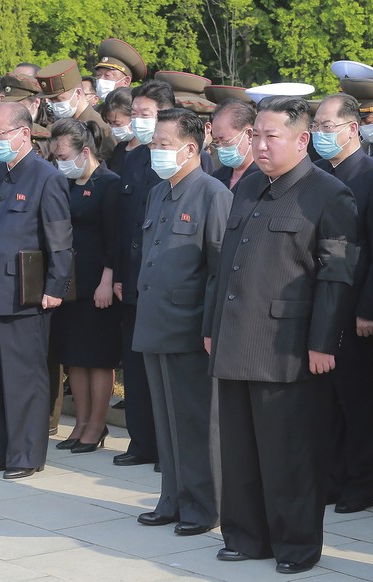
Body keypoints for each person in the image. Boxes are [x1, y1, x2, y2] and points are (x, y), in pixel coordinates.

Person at [205, 95, 357, 574]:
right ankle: (247, 536)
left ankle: (296, 546)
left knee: (288, 456)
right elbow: (224, 265)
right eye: (256, 135)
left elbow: (339, 274)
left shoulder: (329, 194)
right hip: (235, 338)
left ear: (302, 139)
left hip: (287, 348)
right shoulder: (249, 186)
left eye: (272, 136)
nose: (261, 145)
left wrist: (323, 342)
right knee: (240, 451)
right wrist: (211, 326)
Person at [133, 107, 231, 535]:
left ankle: (202, 506)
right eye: (154, 143)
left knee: (195, 422)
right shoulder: (159, 192)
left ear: (191, 148)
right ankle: (172, 497)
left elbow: (219, 269)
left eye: (163, 144)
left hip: (190, 327)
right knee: (166, 420)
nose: (155, 150)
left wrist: (210, 327)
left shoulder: (211, 193)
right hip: (155, 322)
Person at [0, 102, 72, 479]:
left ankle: (26, 454)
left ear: (24, 133)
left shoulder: (46, 177)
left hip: (23, 295)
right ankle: (2, 449)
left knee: (23, 378)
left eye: (0, 135)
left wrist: (55, 287)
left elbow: (59, 238)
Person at [311, 93, 373, 514]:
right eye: (317, 127)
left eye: (329, 127)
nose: (321, 134)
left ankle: (362, 484)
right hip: (322, 300)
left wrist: (370, 307)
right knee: (327, 402)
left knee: (360, 402)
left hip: (356, 305)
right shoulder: (317, 172)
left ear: (352, 128)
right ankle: (332, 478)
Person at [109, 80, 175, 469]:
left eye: (145, 114)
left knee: (164, 369)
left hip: (165, 280)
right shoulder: (133, 158)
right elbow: (124, 223)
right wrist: (117, 273)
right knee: (135, 366)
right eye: (134, 114)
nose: (137, 121)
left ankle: (168, 446)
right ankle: (141, 441)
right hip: (132, 277)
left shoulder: (184, 159)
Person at [48, 118, 121, 454]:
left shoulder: (109, 184)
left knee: (97, 357)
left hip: (97, 280)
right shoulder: (65, 183)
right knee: (74, 355)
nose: (60, 162)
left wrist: (107, 280)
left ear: (86, 152)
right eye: (56, 157)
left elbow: (114, 237)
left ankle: (96, 423)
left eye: (65, 155)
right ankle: (79, 422)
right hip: (69, 279)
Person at [35, 60, 116, 161]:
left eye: (59, 99)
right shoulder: (57, 126)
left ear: (78, 93)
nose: (54, 104)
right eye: (51, 100)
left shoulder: (100, 128)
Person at [210, 98, 260, 191]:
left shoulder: (265, 177)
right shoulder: (217, 177)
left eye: (225, 141)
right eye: (216, 142)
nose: (220, 148)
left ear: (249, 135)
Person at [99, 87, 138, 175]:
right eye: (110, 123)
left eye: (117, 123)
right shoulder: (119, 149)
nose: (113, 128)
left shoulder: (147, 151)